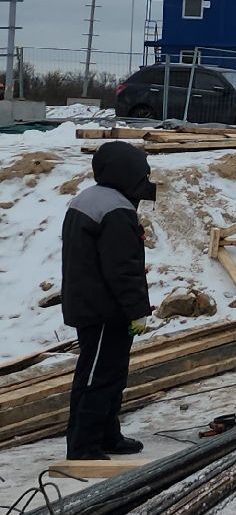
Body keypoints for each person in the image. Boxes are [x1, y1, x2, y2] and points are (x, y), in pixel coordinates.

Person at [61, 140, 156, 460]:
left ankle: (106, 435)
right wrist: (138, 310)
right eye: (142, 176)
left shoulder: (90, 199)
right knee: (97, 377)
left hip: (96, 304)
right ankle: (83, 446)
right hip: (103, 309)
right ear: (126, 173)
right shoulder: (115, 210)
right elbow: (122, 268)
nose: (145, 183)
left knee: (110, 373)